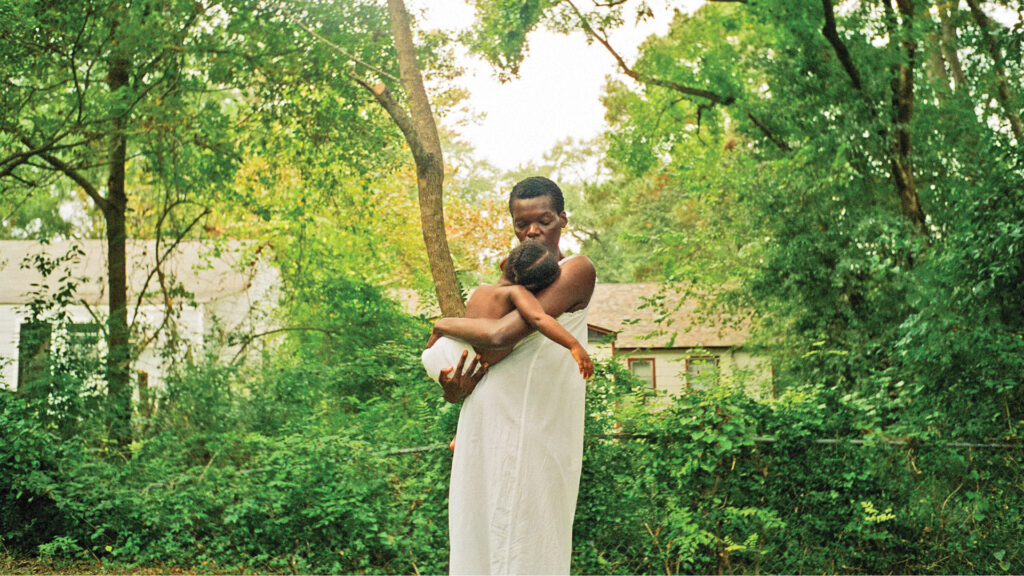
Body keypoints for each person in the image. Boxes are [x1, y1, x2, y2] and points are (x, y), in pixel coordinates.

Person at [426, 176, 596, 575]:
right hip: (485, 424)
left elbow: (502, 336)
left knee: (528, 539)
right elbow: (481, 359)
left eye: (544, 219)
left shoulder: (576, 270)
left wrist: (441, 322)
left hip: (535, 425)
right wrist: (454, 391)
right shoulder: (515, 279)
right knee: (478, 536)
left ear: (563, 220)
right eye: (522, 223)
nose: (532, 230)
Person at [422, 239, 594, 388]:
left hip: (440, 351)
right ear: (535, 289)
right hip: (462, 363)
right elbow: (539, 318)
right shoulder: (516, 292)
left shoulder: (480, 291)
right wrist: (573, 345)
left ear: (503, 263)